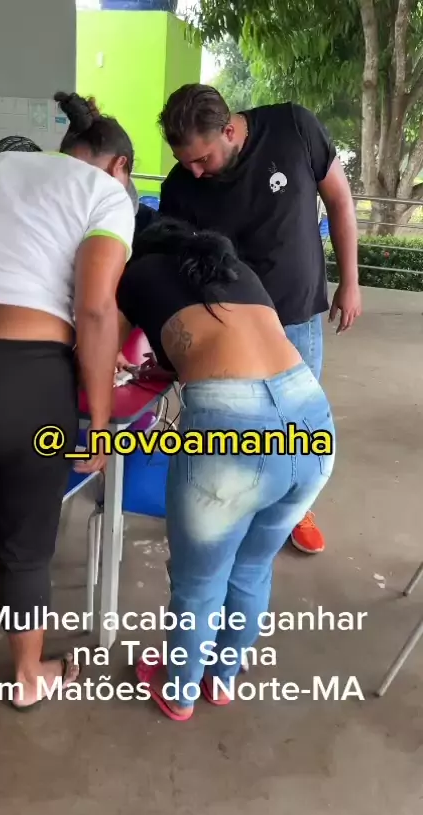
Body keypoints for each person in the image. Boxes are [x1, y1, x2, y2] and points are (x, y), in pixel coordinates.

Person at [0, 91, 136, 711]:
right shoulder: (108, 195)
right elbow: (95, 308)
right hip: (24, 379)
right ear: (120, 166)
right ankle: (29, 676)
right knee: (24, 543)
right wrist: (99, 422)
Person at [115, 217, 336, 721]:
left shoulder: (136, 275)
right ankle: (221, 678)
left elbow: (104, 351)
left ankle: (179, 690)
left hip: (231, 431)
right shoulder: (234, 270)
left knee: (199, 582)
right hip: (312, 419)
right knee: (252, 567)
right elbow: (228, 342)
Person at [157, 84, 360, 555]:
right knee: (228, 429)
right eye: (184, 161)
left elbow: (340, 201)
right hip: (223, 328)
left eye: (202, 159)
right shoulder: (181, 186)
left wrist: (350, 281)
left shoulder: (294, 128)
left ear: (230, 131)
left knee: (298, 428)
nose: (194, 171)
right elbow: (167, 265)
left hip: (296, 317)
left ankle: (294, 508)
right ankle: (231, 507)